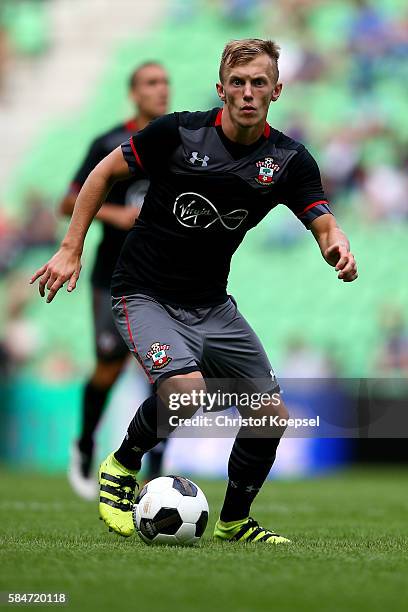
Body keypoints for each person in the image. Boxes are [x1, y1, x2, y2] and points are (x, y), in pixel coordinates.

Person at [30, 38, 358, 544]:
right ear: (221, 89)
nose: (248, 92)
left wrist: (336, 245)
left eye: (259, 83)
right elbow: (103, 172)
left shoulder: (288, 160)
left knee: (271, 416)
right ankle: (121, 465)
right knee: (185, 394)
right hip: (143, 293)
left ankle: (233, 522)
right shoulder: (178, 132)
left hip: (212, 305)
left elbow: (322, 218)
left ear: (277, 90)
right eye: (238, 83)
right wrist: (71, 248)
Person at [58, 61, 170, 499]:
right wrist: (116, 213)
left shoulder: (180, 142)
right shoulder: (108, 143)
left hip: (163, 278)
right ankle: (84, 444)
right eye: (150, 83)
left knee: (167, 376)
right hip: (113, 276)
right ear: (133, 93)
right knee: (108, 368)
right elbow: (67, 201)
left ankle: (156, 469)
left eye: (164, 83)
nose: (160, 90)